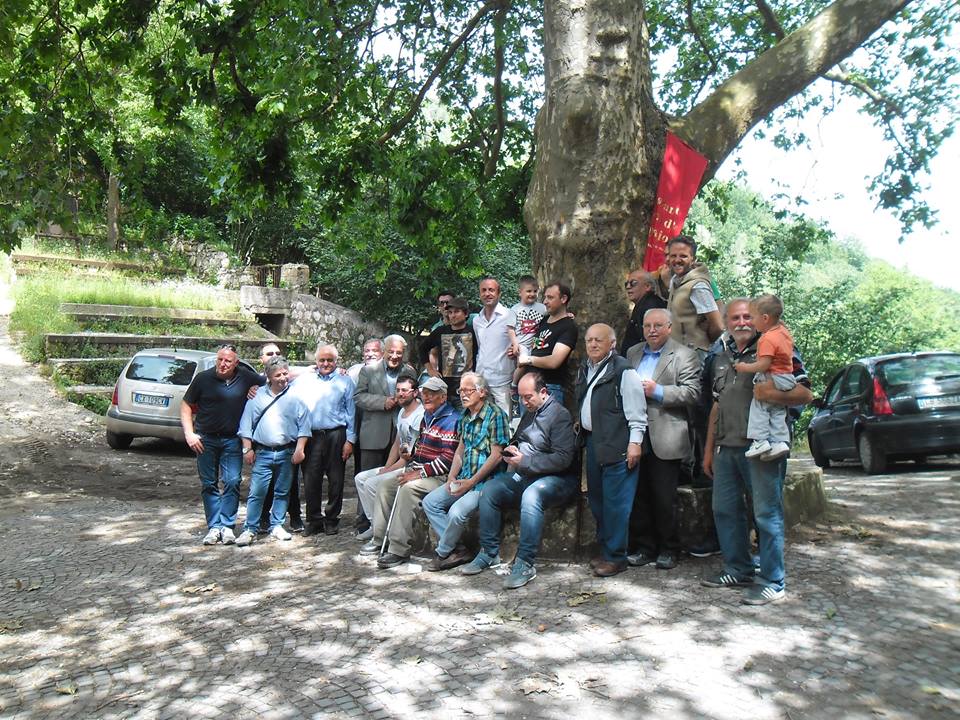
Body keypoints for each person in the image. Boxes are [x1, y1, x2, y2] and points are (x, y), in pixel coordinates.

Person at [700, 298, 813, 605]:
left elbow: (805, 392)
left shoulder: (774, 347)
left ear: (760, 319)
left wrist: (770, 392)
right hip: (726, 446)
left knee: (766, 514)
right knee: (725, 511)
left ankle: (773, 580)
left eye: (747, 316)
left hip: (764, 450)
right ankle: (738, 568)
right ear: (727, 321)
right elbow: (716, 404)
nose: (741, 322)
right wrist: (709, 450)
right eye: (735, 317)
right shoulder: (719, 353)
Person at [462, 371, 578, 588]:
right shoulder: (530, 411)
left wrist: (525, 461)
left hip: (556, 479)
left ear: (543, 392)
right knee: (491, 489)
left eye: (528, 397)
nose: (524, 402)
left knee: (531, 495)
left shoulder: (559, 415)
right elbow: (521, 437)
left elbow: (563, 459)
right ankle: (489, 552)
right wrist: (511, 448)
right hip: (526, 473)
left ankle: (525, 563)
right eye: (521, 397)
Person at [624, 308, 701, 570]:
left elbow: (692, 394)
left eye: (658, 325)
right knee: (639, 495)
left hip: (666, 435)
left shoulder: (684, 355)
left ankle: (669, 549)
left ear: (669, 327)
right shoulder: (633, 353)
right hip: (636, 434)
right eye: (647, 326)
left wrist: (658, 392)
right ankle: (644, 548)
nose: (652, 330)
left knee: (663, 497)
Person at [366, 377, 460, 568]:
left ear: (443, 397)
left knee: (408, 489)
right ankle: (379, 539)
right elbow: (423, 450)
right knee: (385, 485)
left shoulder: (452, 420)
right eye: (424, 393)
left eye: (431, 394)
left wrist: (419, 473)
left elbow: (448, 460)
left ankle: (398, 549)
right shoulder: (428, 415)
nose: (426, 397)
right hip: (420, 469)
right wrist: (411, 453)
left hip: (440, 476)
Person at [577, 323, 647, 577]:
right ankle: (607, 551)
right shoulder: (585, 368)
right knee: (599, 501)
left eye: (599, 340)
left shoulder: (623, 371)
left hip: (619, 444)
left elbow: (637, 411)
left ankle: (616, 557)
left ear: (612, 343)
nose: (593, 344)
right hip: (595, 442)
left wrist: (635, 443)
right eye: (589, 340)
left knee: (617, 504)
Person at [421, 372, 509, 572]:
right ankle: (458, 549)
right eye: (461, 390)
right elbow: (461, 448)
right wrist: (452, 476)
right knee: (430, 502)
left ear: (482, 392)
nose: (462, 394)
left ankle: (443, 552)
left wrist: (471, 482)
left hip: (485, 482)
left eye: (468, 390)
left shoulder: (496, 415)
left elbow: (496, 456)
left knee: (456, 513)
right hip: (463, 478)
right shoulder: (465, 416)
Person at [180, 344, 264, 545]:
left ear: (236, 363)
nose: (223, 364)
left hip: (232, 440)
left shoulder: (246, 377)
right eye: (220, 359)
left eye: (228, 361)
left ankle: (227, 527)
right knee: (209, 483)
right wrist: (189, 434)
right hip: (205, 439)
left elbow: (275, 377)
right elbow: (185, 405)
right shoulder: (203, 378)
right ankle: (214, 527)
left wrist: (257, 387)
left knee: (232, 481)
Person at [235, 356, 311, 545]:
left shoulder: (296, 396)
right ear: (269, 376)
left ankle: (277, 524)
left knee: (282, 491)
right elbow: (246, 425)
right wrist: (247, 449)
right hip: (263, 452)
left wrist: (300, 449)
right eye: (278, 375)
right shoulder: (257, 396)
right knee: (257, 492)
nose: (283, 378)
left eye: (285, 373)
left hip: (287, 451)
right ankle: (250, 528)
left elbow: (304, 426)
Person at [289, 344, 356, 536]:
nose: (325, 364)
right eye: (322, 360)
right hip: (311, 436)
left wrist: (350, 440)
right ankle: (314, 520)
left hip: (337, 434)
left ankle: (332, 519)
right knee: (311, 480)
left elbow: (351, 413)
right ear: (316, 361)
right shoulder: (305, 379)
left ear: (336, 361)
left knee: (336, 480)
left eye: (330, 360)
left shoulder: (345, 381)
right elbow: (281, 379)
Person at [353, 335, 416, 536]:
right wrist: (382, 402)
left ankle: (391, 524)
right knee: (367, 479)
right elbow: (358, 397)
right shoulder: (368, 370)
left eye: (399, 352)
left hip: (400, 435)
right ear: (384, 351)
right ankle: (366, 523)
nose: (395, 356)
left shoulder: (409, 371)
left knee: (394, 481)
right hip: (373, 432)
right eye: (391, 352)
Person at [734, 294, 796, 461]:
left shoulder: (766, 339)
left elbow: (764, 364)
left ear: (765, 318)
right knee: (776, 409)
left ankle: (760, 440)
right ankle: (780, 441)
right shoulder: (783, 332)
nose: (751, 322)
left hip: (773, 377)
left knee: (760, 406)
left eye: (753, 317)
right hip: (787, 377)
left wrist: (744, 367)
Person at [254, 342, 304, 533]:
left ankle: (294, 517)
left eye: (277, 352)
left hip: (288, 444)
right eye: (269, 353)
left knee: (290, 485)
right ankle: (262, 518)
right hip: (265, 444)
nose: (274, 355)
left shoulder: (290, 380)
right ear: (261, 359)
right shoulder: (256, 383)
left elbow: (310, 370)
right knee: (263, 485)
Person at [657, 235, 723, 355]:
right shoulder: (676, 280)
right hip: (675, 352)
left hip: (693, 354)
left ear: (693, 259)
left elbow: (718, 325)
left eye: (683, 256)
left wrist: (702, 342)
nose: (677, 260)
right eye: (673, 256)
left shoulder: (698, 286)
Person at [516, 281, 578, 403]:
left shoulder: (568, 326)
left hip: (549, 388)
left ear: (563, 299)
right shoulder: (543, 320)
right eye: (545, 297)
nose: (544, 301)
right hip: (529, 386)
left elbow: (554, 361)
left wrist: (528, 359)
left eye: (550, 297)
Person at [420, 297, 478, 409]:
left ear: (465, 314)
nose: (453, 315)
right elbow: (423, 348)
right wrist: (430, 369)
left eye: (457, 312)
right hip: (444, 390)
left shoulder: (473, 331)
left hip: (466, 390)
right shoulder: (440, 331)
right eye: (450, 312)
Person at [473, 276, 517, 418]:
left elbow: (521, 341)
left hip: (502, 380)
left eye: (491, 290)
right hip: (481, 380)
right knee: (483, 420)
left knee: (504, 422)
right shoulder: (476, 320)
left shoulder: (509, 315)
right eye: (483, 290)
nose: (487, 294)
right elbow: (481, 347)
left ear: (499, 294)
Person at [620, 269, 667, 356]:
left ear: (647, 286)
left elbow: (653, 340)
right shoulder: (642, 303)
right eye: (626, 284)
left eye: (633, 283)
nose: (628, 287)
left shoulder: (651, 307)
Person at [509, 275, 546, 356]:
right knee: (523, 362)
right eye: (529, 291)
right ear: (520, 292)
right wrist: (515, 344)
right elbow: (511, 329)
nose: (532, 294)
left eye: (535, 291)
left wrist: (564, 315)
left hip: (537, 343)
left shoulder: (542, 308)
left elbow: (553, 315)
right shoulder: (514, 309)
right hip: (521, 344)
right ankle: (518, 369)